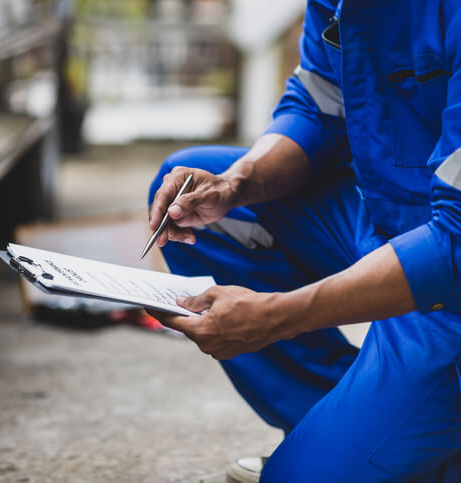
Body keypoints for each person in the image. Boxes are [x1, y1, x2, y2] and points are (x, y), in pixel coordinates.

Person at [147, 1, 461, 482]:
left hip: (450, 282)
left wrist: (276, 315)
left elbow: (454, 242)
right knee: (198, 208)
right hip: (384, 218)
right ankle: (357, 428)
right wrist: (235, 184)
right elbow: (319, 109)